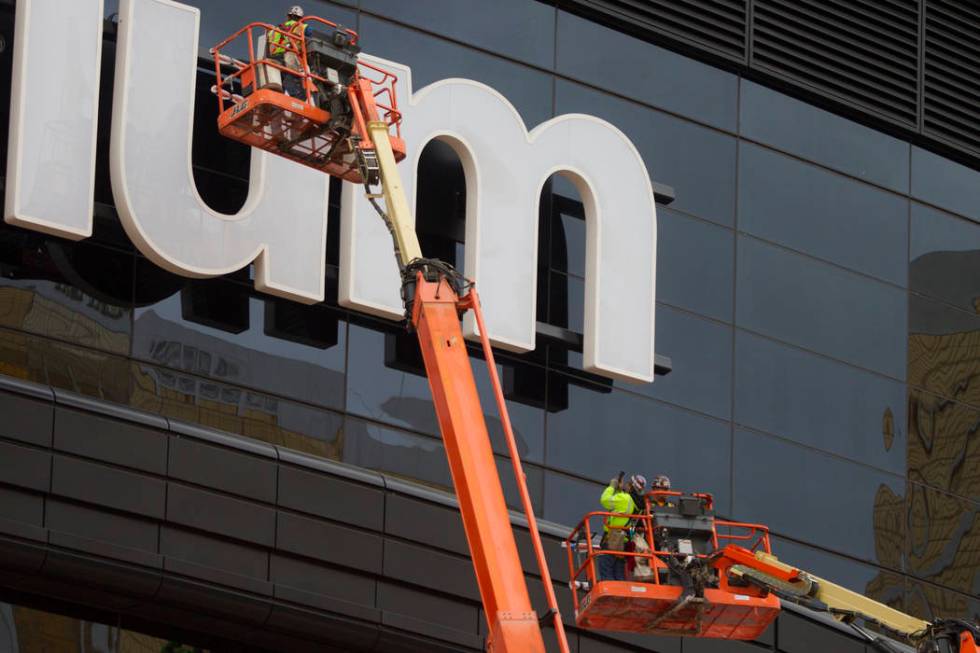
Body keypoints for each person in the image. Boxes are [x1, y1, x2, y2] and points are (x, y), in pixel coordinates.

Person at [597, 472, 641, 581]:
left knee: (606, 568)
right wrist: (620, 491)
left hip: (613, 538)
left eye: (628, 483)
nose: (625, 484)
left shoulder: (624, 498)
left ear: (630, 486)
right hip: (625, 540)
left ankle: (611, 596)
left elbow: (605, 500)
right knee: (618, 572)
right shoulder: (639, 504)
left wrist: (612, 486)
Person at [268, 6, 313, 99]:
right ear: (301, 18)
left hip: (274, 58)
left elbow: (268, 36)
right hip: (289, 55)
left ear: (288, 16)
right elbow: (310, 33)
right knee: (291, 76)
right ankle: (299, 97)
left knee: (280, 81)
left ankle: (278, 98)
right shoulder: (302, 26)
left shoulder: (276, 29)